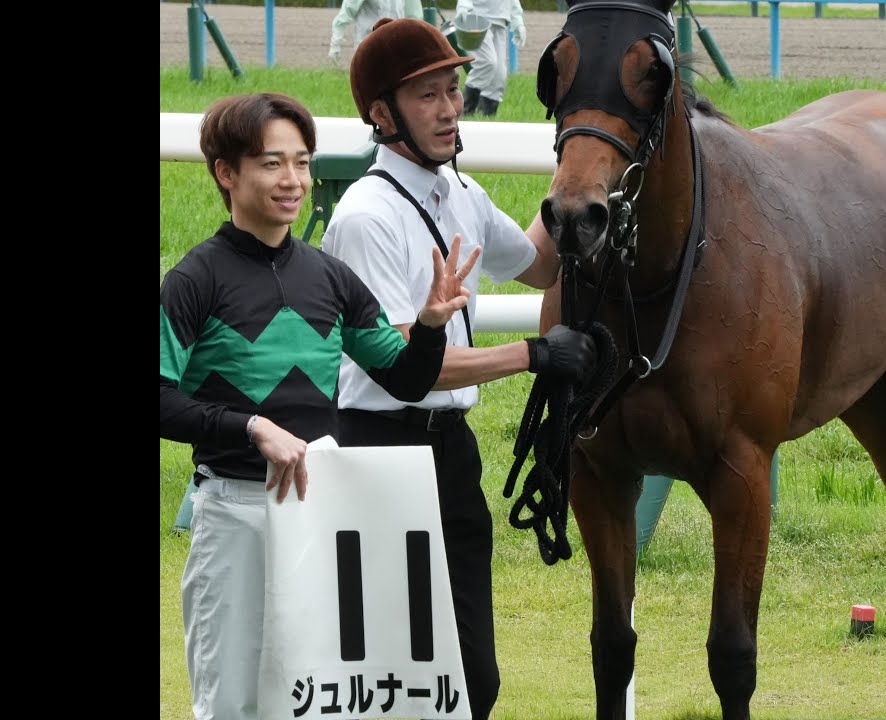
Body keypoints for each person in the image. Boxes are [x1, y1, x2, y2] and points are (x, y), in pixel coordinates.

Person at [160, 91, 477, 720]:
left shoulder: (329, 277)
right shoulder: (195, 281)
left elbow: (404, 378)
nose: (294, 180)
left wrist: (430, 326)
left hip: (320, 512)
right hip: (234, 514)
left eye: (302, 163)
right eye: (272, 163)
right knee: (233, 704)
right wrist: (251, 426)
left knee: (320, 699)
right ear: (226, 173)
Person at [320, 17, 594, 720]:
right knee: (397, 674)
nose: (449, 109)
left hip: (450, 451)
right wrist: (532, 354)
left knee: (473, 677)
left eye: (452, 89)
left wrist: (578, 166)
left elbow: (538, 264)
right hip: (379, 453)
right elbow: (404, 366)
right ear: (382, 116)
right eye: (428, 95)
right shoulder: (366, 217)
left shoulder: (458, 192)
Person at [455, 0, 526, 116]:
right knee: (487, 62)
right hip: (477, 19)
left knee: (499, 74)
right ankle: (466, 111)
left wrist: (517, 20)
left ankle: (487, 115)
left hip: (501, 21)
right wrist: (463, 5)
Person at [328, 0, 424, 66]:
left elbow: (415, 17)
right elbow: (346, 12)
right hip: (368, 46)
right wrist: (335, 44)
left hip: (397, 46)